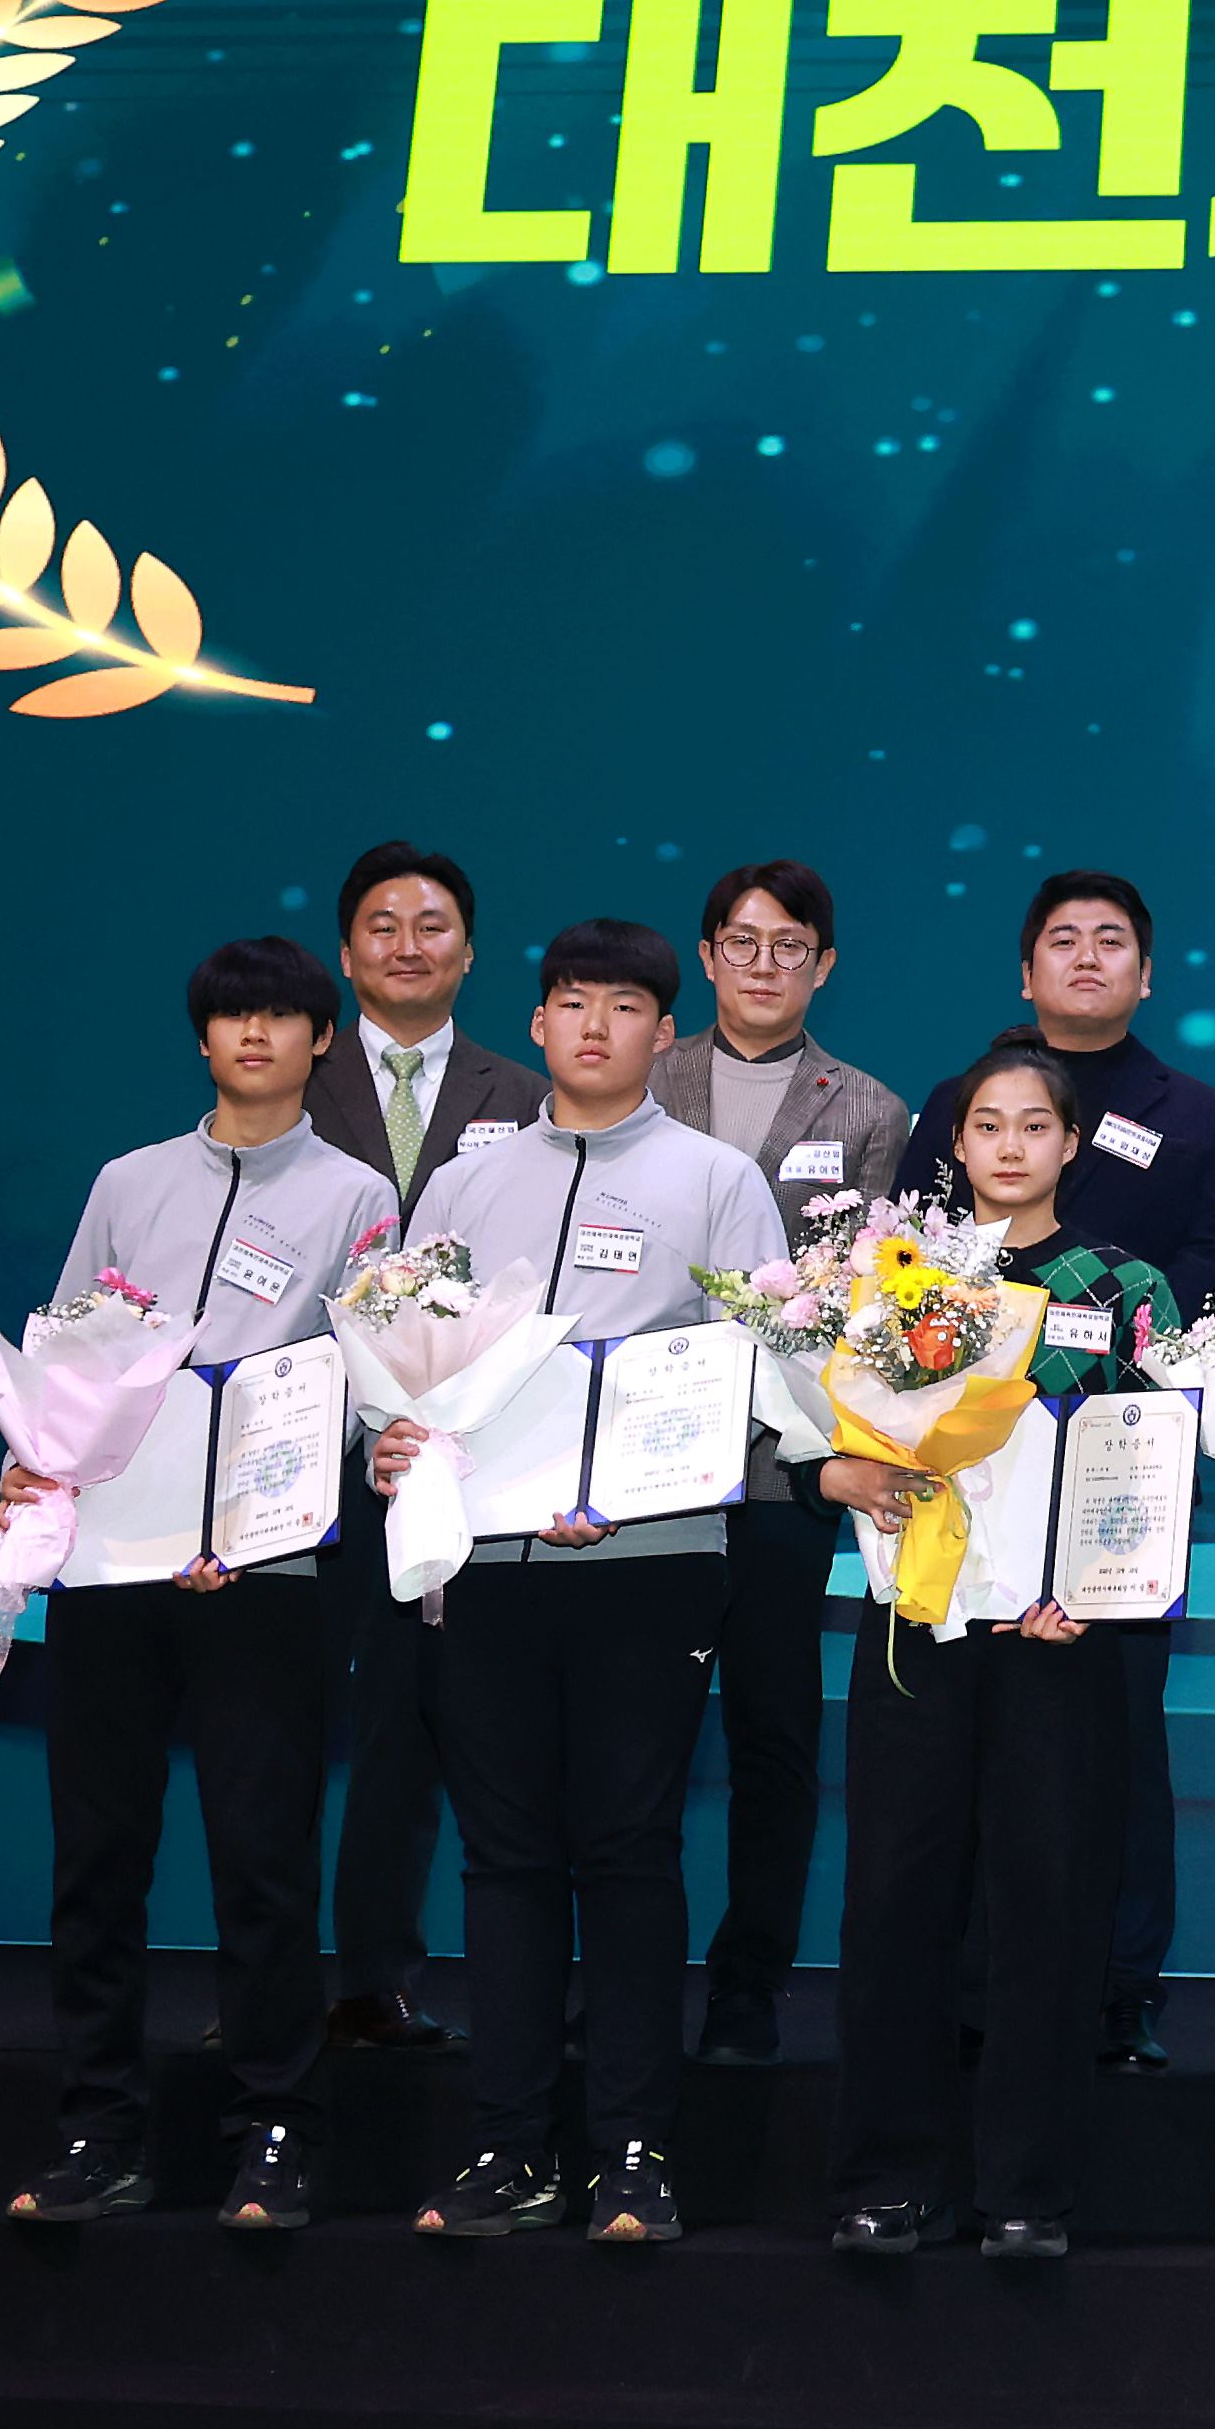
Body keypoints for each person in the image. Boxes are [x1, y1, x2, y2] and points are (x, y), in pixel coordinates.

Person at [374, 921, 788, 2243]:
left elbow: (759, 1375)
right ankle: (510, 2150)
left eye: (622, 1007)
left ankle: (632, 2153)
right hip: (485, 1569)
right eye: (571, 1002)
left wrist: (639, 1478)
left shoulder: (719, 1180)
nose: (594, 1026)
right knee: (502, 1860)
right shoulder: (461, 1186)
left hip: (648, 1566)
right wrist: (389, 1437)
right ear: (537, 1024)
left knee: (626, 1851)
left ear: (664, 1033)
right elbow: (406, 1357)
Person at [0, 938, 393, 2232]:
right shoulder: (129, 1181)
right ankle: (98, 2128)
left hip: (264, 1572)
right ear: (203, 1038)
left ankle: (275, 2128)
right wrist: (31, 1468)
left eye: (281, 1017)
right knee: (97, 1857)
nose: (255, 1036)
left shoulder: (355, 1196)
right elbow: (65, 1354)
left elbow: (360, 1386)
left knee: (263, 1857)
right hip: (114, 1564)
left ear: (322, 1039)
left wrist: (263, 1513)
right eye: (232, 1017)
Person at [818, 1037, 1177, 2260]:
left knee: (1049, 1907)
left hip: (1057, 1641)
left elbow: (1151, 1462)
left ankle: (1027, 2188)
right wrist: (835, 1472)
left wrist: (1094, 1592)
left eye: (1034, 1126)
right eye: (987, 1125)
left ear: (1071, 1144)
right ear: (955, 1143)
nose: (1010, 1146)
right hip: (917, 1625)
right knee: (894, 1901)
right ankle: (888, 2178)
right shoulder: (894, 1279)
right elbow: (822, 1442)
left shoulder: (1123, 1283)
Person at [894, 870, 1215, 2074]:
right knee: (962, 1771)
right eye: (1062, 939)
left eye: (1111, 942)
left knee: (1118, 1760)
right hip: (961, 1507)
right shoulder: (957, 1093)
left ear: (1145, 975)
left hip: (1110, 1493)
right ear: (1025, 969)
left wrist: (1111, 1360)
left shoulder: (1192, 1111)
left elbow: (1210, 1268)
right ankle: (967, 1988)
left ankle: (1118, 1986)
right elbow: (905, 1271)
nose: (1086, 957)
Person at [645, 858, 911, 2069]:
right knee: (637, 1746)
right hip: (644, 1468)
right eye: (742, 943)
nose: (764, 965)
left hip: (782, 1476)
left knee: (772, 1738)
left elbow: (871, 1302)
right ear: (707, 957)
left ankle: (748, 1985)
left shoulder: (868, 1110)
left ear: (825, 964)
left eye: (789, 945)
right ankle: (631, 1984)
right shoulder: (642, 1079)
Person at [303, 843, 544, 2058]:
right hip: (301, 1456)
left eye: (433, 924)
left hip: (457, 1458)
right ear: (347, 954)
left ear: (470, 951)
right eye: (384, 925)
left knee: (412, 1726)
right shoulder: (289, 1076)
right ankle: (264, 1987)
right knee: (276, 1731)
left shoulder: (528, 1094)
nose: (409, 944)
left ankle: (377, 1977)